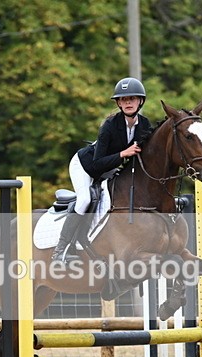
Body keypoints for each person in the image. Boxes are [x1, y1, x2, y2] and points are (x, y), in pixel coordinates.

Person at [52, 77, 153, 263]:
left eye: (132, 98)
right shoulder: (109, 126)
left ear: (140, 101)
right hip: (85, 166)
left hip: (109, 169)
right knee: (85, 199)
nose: (128, 102)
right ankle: (61, 249)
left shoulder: (145, 125)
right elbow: (98, 163)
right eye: (124, 99)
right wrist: (124, 153)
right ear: (118, 103)